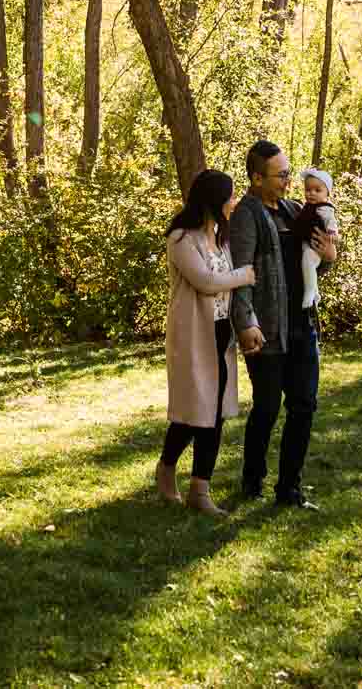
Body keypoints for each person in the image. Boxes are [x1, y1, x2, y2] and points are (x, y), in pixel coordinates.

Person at [229, 139, 339, 509]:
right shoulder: (246, 216)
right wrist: (246, 322)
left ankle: (290, 489)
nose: (289, 181)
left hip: (302, 323)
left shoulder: (295, 210)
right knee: (267, 407)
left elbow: (320, 257)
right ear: (257, 178)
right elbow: (240, 273)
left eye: (289, 173)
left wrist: (329, 255)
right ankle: (252, 480)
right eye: (281, 175)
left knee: (304, 405)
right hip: (267, 327)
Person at [157, 168, 258, 517]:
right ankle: (166, 467)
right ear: (213, 200)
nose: (233, 202)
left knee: (214, 414)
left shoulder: (220, 237)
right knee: (193, 412)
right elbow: (205, 281)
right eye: (229, 196)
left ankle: (200, 490)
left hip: (220, 332)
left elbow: (221, 283)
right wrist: (243, 275)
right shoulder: (181, 239)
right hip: (192, 335)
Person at [292, 168, 340, 311]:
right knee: (308, 266)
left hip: (316, 246)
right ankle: (315, 292)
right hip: (307, 243)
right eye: (308, 190)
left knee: (308, 260)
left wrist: (332, 233)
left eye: (317, 190)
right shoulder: (305, 207)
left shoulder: (324, 208)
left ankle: (310, 292)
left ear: (327, 193)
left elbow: (331, 221)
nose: (311, 193)